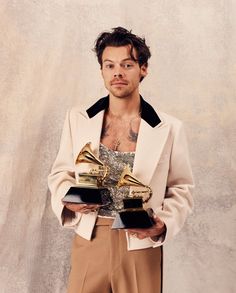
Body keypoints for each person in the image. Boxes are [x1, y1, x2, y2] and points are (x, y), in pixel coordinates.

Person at [48, 27, 194, 293]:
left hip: (140, 243)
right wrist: (67, 201)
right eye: (110, 65)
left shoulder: (170, 128)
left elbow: (182, 189)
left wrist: (163, 223)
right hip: (90, 238)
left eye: (127, 64)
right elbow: (61, 173)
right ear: (102, 70)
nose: (117, 72)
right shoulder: (77, 118)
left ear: (143, 69)